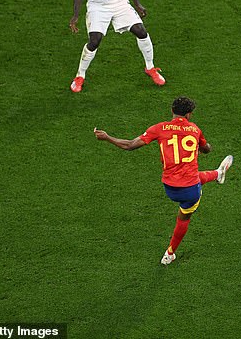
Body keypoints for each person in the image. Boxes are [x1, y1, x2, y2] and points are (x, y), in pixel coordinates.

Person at [93, 96, 233, 266]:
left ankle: (218, 174)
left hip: (169, 188)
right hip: (190, 190)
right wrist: (207, 146)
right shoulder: (195, 130)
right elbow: (206, 150)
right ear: (189, 115)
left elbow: (129, 145)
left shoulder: (159, 128)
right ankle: (170, 253)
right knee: (184, 217)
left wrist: (108, 137)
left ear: (172, 111)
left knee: (193, 176)